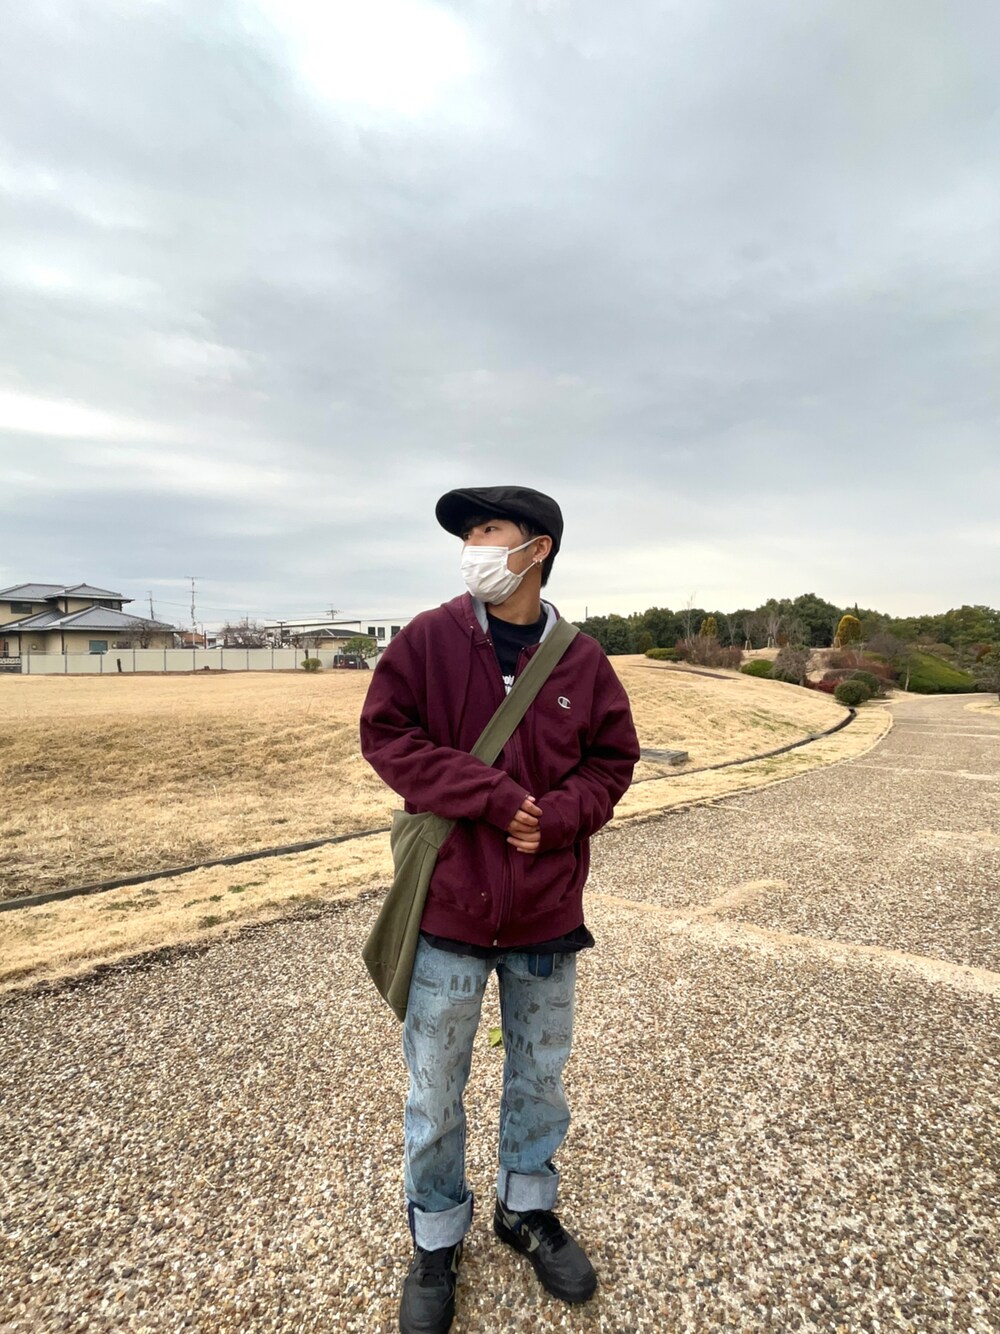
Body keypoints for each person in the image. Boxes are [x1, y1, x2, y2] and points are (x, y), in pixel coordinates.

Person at [360, 485, 639, 1333]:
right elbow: (387, 736)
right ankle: (436, 1237)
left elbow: (612, 761)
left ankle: (526, 1209)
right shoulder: (429, 638)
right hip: (448, 908)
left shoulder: (582, 661)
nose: (473, 547)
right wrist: (488, 794)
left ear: (537, 548)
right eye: (468, 534)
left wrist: (559, 817)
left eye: (488, 530)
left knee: (540, 1077)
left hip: (546, 912)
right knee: (435, 1089)